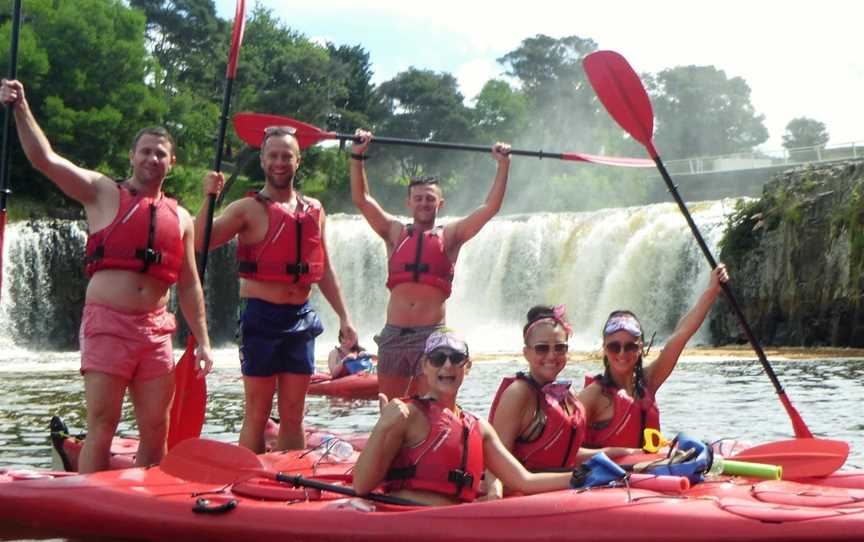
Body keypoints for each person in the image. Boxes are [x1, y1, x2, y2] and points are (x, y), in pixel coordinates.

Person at [0, 79, 214, 473]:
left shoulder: (182, 218)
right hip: (108, 323)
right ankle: (88, 500)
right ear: (132, 156)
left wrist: (202, 341)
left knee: (156, 426)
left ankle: (148, 504)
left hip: (156, 331)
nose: (153, 159)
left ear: (172, 163)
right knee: (103, 423)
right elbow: (45, 159)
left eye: (161, 154)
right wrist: (20, 108)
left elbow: (188, 284)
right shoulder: (101, 192)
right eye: (146, 151)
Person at [198, 126, 357, 453]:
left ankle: (291, 480)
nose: (280, 162)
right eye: (273, 155)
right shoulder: (247, 208)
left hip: (300, 318)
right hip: (259, 317)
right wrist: (208, 198)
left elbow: (323, 267)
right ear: (263, 160)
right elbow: (202, 241)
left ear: (298, 161)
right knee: (256, 413)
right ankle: (245, 482)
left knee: (294, 414)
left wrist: (345, 317)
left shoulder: (314, 209)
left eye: (287, 156)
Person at [350, 130, 510, 400]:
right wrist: (357, 156)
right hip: (394, 336)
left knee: (430, 412)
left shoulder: (451, 236)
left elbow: (489, 207)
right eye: (419, 198)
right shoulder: (394, 232)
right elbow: (362, 199)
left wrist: (503, 165)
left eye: (430, 198)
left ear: (440, 203)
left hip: (431, 338)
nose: (424, 203)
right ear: (409, 202)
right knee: (390, 407)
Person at [352, 330, 576, 506]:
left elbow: (524, 481)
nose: (447, 365)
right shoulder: (406, 415)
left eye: (456, 358)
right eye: (438, 358)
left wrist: (582, 476)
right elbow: (361, 485)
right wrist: (383, 427)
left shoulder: (479, 428)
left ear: (467, 367)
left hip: (457, 523)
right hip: (409, 521)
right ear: (424, 366)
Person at [484, 305, 640, 498]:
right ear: (526, 353)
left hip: (563, 491)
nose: (552, 355)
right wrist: (494, 497)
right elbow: (494, 463)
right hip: (524, 497)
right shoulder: (519, 393)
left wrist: (615, 452)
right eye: (542, 348)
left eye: (560, 348)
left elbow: (564, 453)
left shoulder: (568, 394)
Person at [579, 265, 730, 449]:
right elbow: (566, 449)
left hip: (648, 471)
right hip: (610, 475)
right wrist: (614, 455)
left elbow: (680, 335)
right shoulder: (593, 395)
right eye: (614, 346)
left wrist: (712, 290)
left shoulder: (648, 381)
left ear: (641, 347)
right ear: (604, 348)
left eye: (630, 346)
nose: (622, 353)